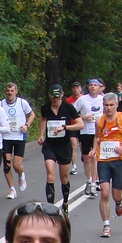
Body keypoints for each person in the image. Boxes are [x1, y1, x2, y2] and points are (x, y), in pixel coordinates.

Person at [93, 93, 122, 238]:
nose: (108, 108)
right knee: (105, 192)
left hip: (118, 160)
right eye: (106, 105)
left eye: (111, 105)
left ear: (116, 105)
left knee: (115, 194)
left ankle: (119, 202)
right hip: (103, 161)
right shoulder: (99, 121)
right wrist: (94, 149)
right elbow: (97, 137)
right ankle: (106, 225)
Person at [36, 85, 83, 214]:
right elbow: (43, 119)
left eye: (57, 97)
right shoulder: (45, 108)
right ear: (50, 96)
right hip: (50, 145)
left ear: (62, 95)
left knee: (64, 178)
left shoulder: (68, 108)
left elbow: (80, 124)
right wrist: (41, 135)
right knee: (50, 175)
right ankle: (49, 207)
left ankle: (65, 201)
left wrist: (65, 127)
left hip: (64, 146)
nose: (55, 99)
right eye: (53, 97)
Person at [0, 82, 34, 197]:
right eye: (8, 91)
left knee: (16, 165)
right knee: (7, 165)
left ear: (16, 91)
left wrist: (26, 125)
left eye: (12, 91)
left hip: (19, 136)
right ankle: (12, 189)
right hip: (6, 137)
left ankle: (21, 174)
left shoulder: (22, 103)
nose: (10, 93)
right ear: (5, 92)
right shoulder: (1, 104)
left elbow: (32, 115)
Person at [73, 79, 106, 196]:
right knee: (86, 157)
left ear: (99, 87)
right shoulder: (82, 99)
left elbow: (110, 112)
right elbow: (73, 112)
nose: (93, 87)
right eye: (91, 85)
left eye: (95, 85)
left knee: (95, 157)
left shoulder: (103, 99)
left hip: (98, 131)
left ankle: (94, 182)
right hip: (86, 131)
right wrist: (84, 117)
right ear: (88, 87)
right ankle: (88, 180)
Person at [65, 82, 83, 176]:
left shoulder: (84, 99)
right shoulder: (68, 100)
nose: (76, 90)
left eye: (77, 88)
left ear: (80, 88)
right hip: (72, 125)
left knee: (83, 147)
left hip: (83, 126)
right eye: (74, 88)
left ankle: (84, 156)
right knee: (73, 146)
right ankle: (74, 166)